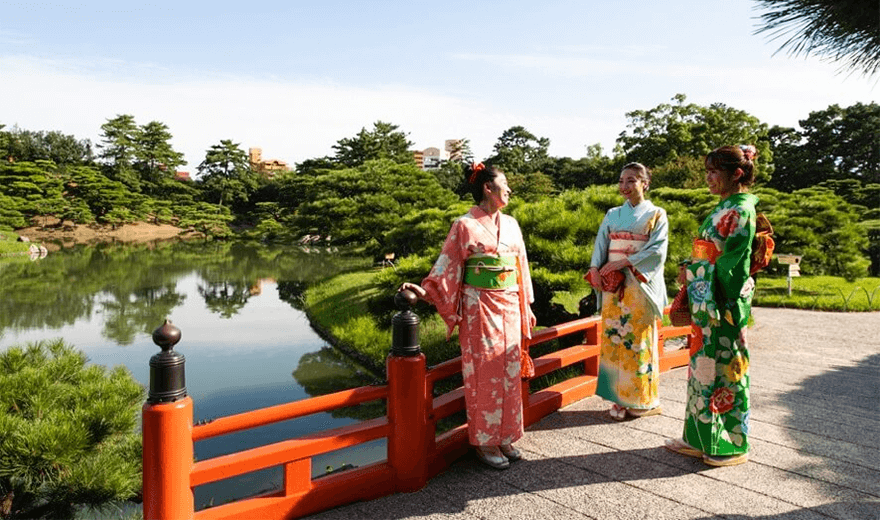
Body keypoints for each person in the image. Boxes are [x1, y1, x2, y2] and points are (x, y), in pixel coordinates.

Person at [399, 162, 536, 470]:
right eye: (505, 185)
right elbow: (448, 265)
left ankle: (506, 436)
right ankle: (485, 441)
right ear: (488, 188)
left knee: (510, 371)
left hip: (511, 304)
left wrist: (526, 304)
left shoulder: (512, 224)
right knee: (485, 372)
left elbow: (521, 267)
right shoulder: (464, 225)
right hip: (480, 308)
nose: (510, 190)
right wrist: (427, 291)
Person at [664, 145, 760, 467]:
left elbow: (733, 266)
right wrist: (690, 266)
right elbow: (708, 253)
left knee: (726, 372)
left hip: (723, 304)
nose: (708, 178)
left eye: (714, 171)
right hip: (707, 299)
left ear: (737, 174)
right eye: (707, 171)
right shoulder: (724, 207)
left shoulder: (741, 209)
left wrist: (694, 272)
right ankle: (698, 437)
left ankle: (730, 445)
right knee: (703, 370)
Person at [585, 163, 668, 421]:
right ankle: (617, 398)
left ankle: (642, 399)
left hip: (639, 283)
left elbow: (657, 251)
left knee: (639, 340)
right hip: (613, 283)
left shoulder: (657, 214)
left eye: (631, 181)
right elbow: (602, 243)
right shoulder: (612, 214)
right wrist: (595, 269)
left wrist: (624, 262)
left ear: (645, 183)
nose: (624, 186)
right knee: (613, 337)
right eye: (621, 181)